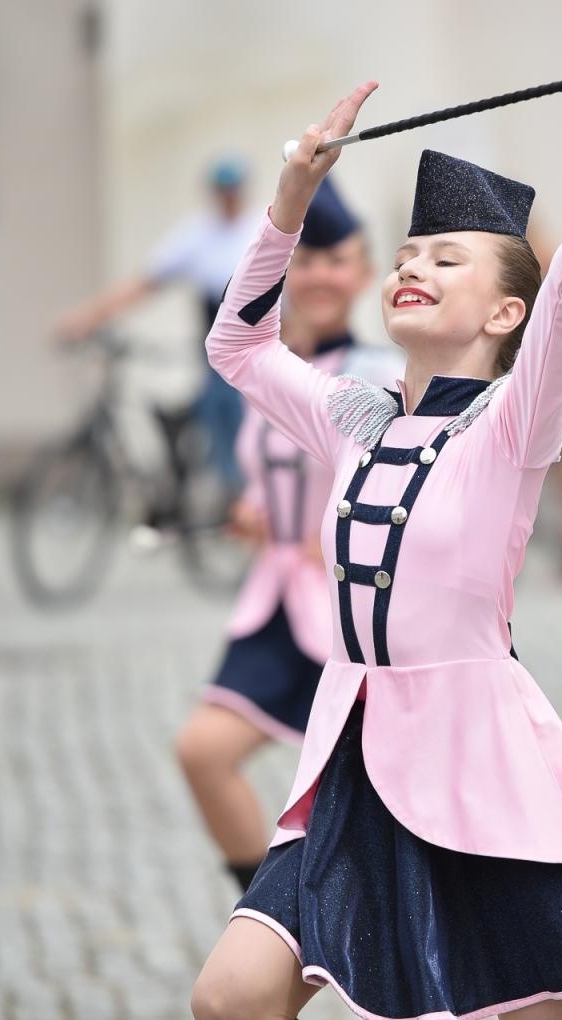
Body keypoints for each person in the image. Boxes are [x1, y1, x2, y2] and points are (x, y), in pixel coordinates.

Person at [189, 2, 562, 1020]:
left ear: (506, 313)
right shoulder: (351, 418)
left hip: (480, 778)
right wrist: (289, 200)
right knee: (230, 997)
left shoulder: (511, 427)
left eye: (445, 259)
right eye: (408, 256)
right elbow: (236, 348)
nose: (413, 267)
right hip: (353, 772)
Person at [174, 177, 401, 892]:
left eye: (339, 261)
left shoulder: (384, 376)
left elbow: (401, 490)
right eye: (306, 261)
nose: (322, 276)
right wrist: (256, 511)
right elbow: (270, 471)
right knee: (203, 752)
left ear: (364, 274)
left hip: (351, 615)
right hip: (276, 601)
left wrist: (340, 540)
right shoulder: (269, 372)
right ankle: (277, 918)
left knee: (386, 803)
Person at [56, 156, 255, 486]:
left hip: (257, 344)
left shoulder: (258, 228)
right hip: (218, 350)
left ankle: (239, 496)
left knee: (231, 412)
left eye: (232, 189)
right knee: (210, 406)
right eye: (222, 189)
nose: (227, 196)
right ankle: (221, 493)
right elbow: (145, 282)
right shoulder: (198, 236)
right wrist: (88, 317)